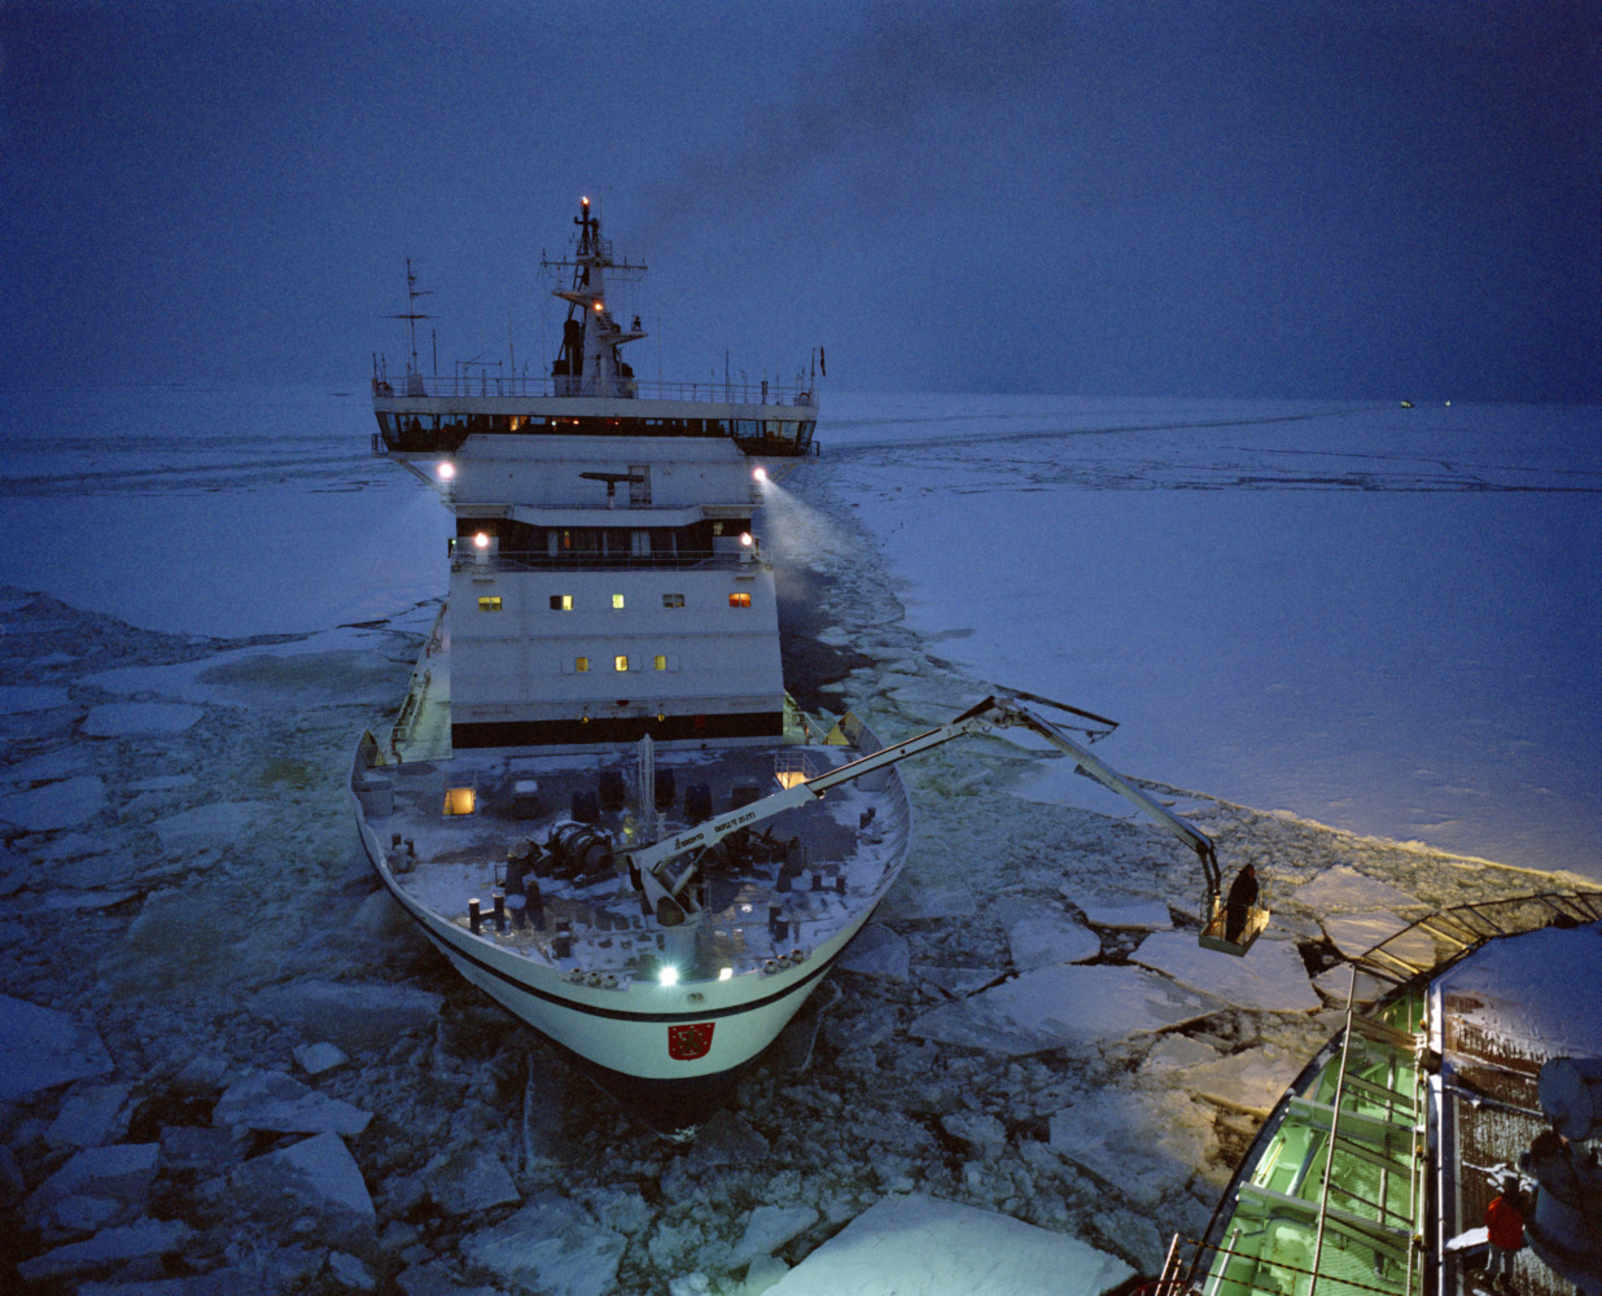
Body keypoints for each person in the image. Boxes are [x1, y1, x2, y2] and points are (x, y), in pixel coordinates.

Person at [1484, 1177, 1523, 1291]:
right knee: (1509, 1259)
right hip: (1513, 1238)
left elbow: (1489, 1220)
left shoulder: (1498, 1203)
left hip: (1498, 1238)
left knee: (1494, 1259)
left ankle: (1488, 1279)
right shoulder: (1521, 1203)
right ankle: (1505, 1282)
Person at [1225, 863, 1258, 942]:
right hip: (1238, 905)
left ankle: (1231, 939)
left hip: (1238, 904)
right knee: (1236, 924)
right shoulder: (1244, 880)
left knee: (1235, 924)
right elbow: (1240, 892)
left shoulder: (1245, 879)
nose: (1253, 873)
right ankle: (1231, 940)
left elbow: (1252, 893)